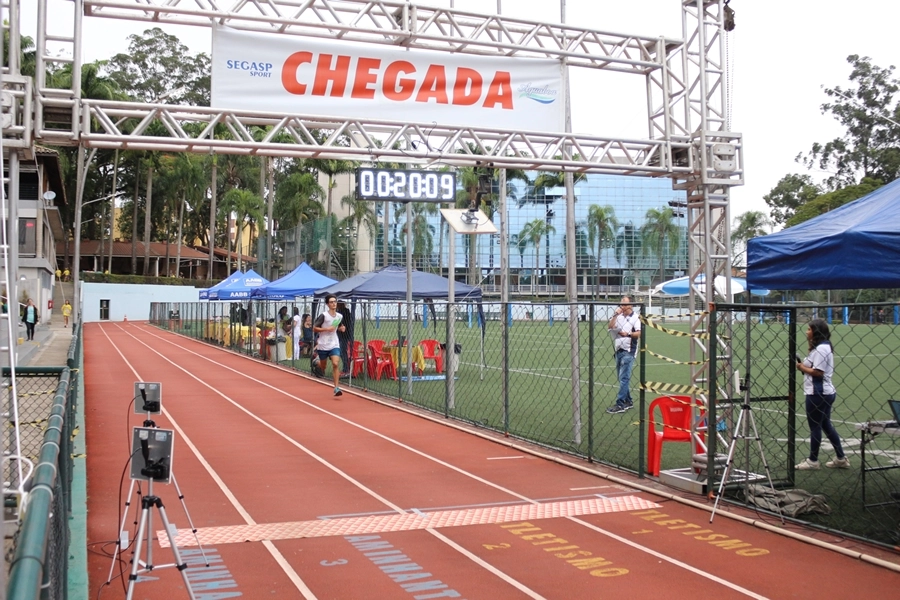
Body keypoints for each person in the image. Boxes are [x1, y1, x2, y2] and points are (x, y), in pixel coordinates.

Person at [795, 319, 850, 470]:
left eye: (809, 329)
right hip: (825, 392)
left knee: (815, 426)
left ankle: (813, 461)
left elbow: (818, 372)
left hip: (817, 393)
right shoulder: (822, 347)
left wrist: (800, 366)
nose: (806, 332)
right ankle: (840, 458)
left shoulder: (821, 349)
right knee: (825, 424)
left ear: (816, 331)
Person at [607, 296, 641, 414]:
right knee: (621, 378)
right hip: (619, 349)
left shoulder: (635, 318)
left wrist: (628, 334)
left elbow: (639, 333)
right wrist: (615, 315)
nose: (622, 306)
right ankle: (628, 401)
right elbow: (610, 327)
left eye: (625, 304)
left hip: (629, 350)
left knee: (624, 378)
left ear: (631, 305)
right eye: (621, 304)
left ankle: (620, 403)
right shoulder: (619, 316)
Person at [313, 294, 347, 396]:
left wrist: (342, 328)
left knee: (335, 364)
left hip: (334, 343)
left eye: (335, 302)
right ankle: (316, 362)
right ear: (328, 304)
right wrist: (326, 329)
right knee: (323, 367)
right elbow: (314, 328)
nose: (334, 304)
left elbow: (340, 325)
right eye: (331, 302)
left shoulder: (339, 316)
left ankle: (336, 388)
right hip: (323, 344)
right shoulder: (324, 316)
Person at [336, 301, 354, 377]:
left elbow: (342, 323)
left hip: (345, 335)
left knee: (343, 351)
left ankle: (346, 369)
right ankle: (345, 368)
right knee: (341, 351)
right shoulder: (339, 312)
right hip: (340, 335)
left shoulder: (344, 312)